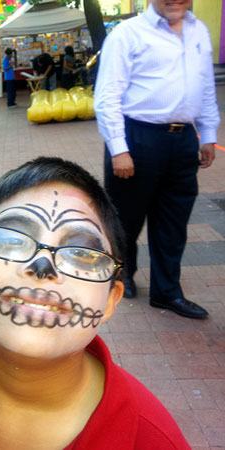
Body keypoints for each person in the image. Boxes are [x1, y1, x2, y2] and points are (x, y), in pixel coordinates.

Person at [0, 157, 190, 449]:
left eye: (81, 254)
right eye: (11, 239)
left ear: (110, 300)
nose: (42, 267)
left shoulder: (152, 440)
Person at [94, 0, 219, 319]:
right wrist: (119, 148)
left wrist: (207, 133)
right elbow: (108, 94)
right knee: (125, 218)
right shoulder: (127, 34)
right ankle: (124, 273)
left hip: (182, 141)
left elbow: (204, 87)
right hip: (138, 137)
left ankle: (167, 292)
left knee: (173, 221)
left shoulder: (199, 31)